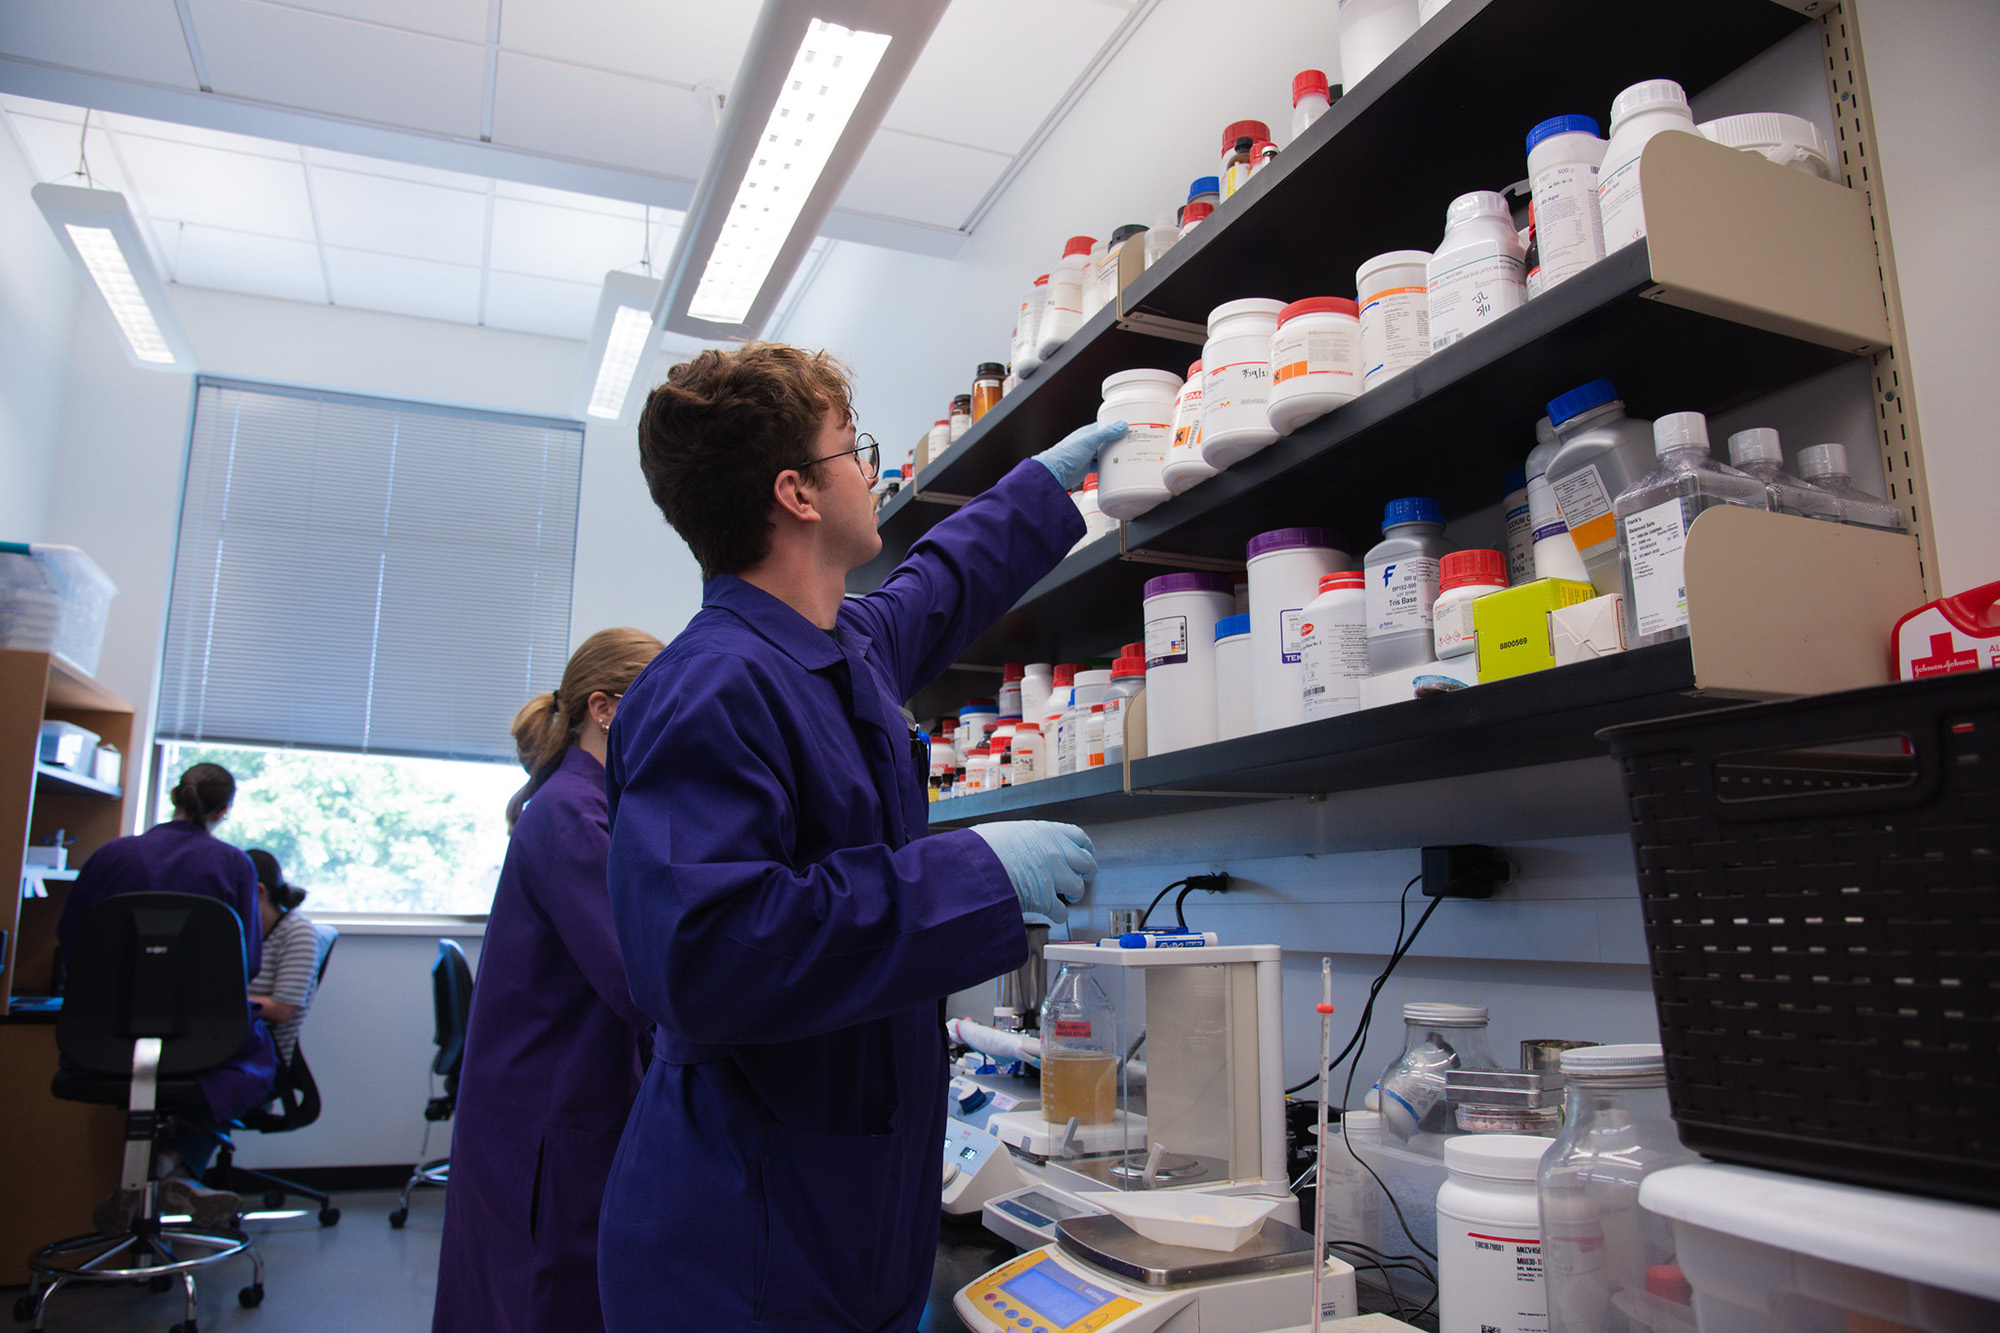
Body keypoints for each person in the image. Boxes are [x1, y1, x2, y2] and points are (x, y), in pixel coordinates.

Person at [598, 343, 1116, 1331]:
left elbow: (939, 582)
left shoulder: (841, 647)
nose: (871, 468)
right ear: (796, 492)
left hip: (843, 1215)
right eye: (854, 447)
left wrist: (1042, 488)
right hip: (739, 1240)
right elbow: (701, 955)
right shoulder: (708, 686)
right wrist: (977, 876)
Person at [433, 628, 665, 1333]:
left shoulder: (590, 803)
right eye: (660, 703)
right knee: (542, 1299)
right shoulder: (572, 813)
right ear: (605, 708)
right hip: (547, 1118)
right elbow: (639, 980)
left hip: (557, 1106)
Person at [57, 762, 276, 1230]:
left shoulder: (110, 855)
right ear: (223, 810)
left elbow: (72, 942)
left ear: (176, 798)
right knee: (255, 1063)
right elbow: (248, 966)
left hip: (102, 1037)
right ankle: (172, 1168)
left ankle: (148, 1178)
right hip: (202, 1040)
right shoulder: (235, 864)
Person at [244, 849, 321, 1065]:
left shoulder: (297, 932)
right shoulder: (236, 929)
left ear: (259, 892)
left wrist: (220, 1002)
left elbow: (282, 1010)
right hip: (225, 1037)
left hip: (260, 1053)